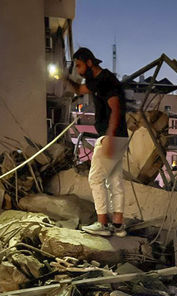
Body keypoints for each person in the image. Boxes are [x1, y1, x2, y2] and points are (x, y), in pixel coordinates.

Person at [65, 47, 129, 237]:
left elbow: (116, 109)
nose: (78, 70)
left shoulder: (104, 81)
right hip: (121, 136)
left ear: (89, 62)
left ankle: (102, 223)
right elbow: (80, 89)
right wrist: (64, 78)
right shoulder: (99, 80)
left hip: (111, 137)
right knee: (115, 180)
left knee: (95, 178)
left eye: (79, 65)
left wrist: (109, 136)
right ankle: (117, 225)